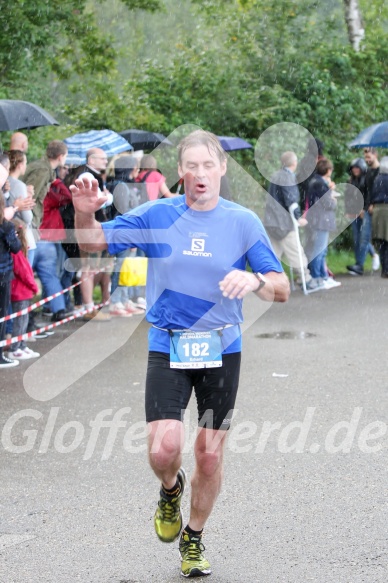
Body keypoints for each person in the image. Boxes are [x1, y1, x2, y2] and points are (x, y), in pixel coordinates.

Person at [71, 130, 290, 578]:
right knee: (164, 448)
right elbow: (92, 242)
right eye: (191, 166)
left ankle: (193, 538)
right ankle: (170, 489)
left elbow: (281, 287)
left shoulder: (242, 221)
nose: (200, 174)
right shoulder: (158, 215)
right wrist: (82, 212)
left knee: (209, 454)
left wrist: (255, 281)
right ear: (180, 172)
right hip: (168, 342)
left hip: (222, 345)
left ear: (222, 169)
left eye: (208, 165)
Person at [65, 148, 113, 322]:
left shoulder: (90, 174)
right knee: (88, 268)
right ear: (91, 159)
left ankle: (90, 305)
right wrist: (108, 197)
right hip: (88, 228)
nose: (106, 162)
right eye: (103, 159)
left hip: (92, 226)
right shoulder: (87, 176)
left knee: (94, 267)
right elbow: (95, 202)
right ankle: (89, 306)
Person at [264, 151, 323, 292]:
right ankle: (305, 280)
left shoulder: (275, 175)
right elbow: (291, 201)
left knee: (273, 254)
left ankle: (267, 281)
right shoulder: (288, 178)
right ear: (294, 163)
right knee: (296, 252)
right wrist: (298, 218)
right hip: (284, 223)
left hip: (271, 221)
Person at [6, 219, 40, 360]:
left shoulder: (16, 252)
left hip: (22, 292)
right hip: (20, 293)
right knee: (20, 321)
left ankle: (21, 344)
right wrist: (34, 286)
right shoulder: (17, 254)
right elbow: (25, 273)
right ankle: (15, 348)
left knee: (23, 320)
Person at [0, 163, 22, 368]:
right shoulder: (6, 226)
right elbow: (16, 248)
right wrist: (15, 236)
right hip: (3, 274)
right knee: (1, 313)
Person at [306, 158, 340, 288]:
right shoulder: (320, 184)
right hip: (321, 221)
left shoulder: (315, 181)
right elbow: (328, 203)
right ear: (329, 170)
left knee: (320, 250)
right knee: (319, 251)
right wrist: (333, 195)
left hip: (317, 220)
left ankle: (323, 277)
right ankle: (317, 277)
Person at [347, 148, 380, 275]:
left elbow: (374, 191)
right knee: (362, 238)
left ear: (375, 155)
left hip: (374, 208)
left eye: (369, 157)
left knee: (370, 238)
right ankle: (359, 265)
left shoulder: (378, 172)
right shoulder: (366, 174)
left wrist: (370, 204)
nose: (367, 159)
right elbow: (365, 193)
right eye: (365, 157)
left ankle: (364, 263)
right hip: (365, 209)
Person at [8, 150, 36, 265]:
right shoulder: (18, 185)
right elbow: (27, 217)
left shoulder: (4, 182)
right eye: (25, 162)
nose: (26, 165)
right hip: (22, 235)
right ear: (19, 165)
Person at [370, 156, 388, 278]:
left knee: (382, 242)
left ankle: (384, 269)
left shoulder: (377, 179)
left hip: (377, 211)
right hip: (386, 210)